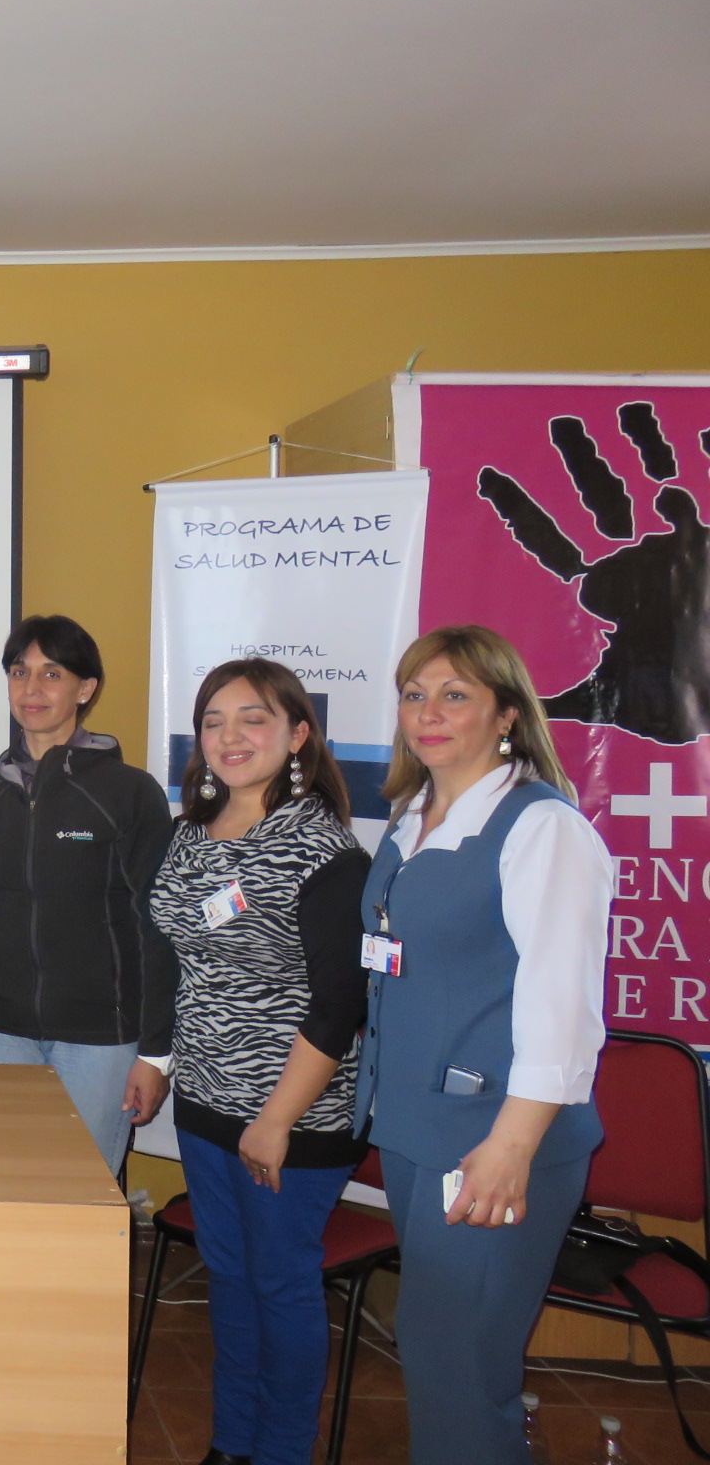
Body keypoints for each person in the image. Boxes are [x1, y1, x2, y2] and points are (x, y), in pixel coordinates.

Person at [356, 626, 609, 1465]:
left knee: (460, 1360)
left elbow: (562, 1003)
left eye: (455, 695)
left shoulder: (541, 828)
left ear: (506, 715)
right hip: (416, 1131)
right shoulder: (410, 821)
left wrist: (512, 1146)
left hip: (493, 1140)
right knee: (436, 1345)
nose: (428, 713)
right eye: (414, 695)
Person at [148, 659, 370, 1465]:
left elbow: (340, 1006)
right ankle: (231, 1440)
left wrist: (275, 1121)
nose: (230, 736)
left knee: (279, 1284)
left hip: (292, 1116)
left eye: (254, 718)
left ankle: (280, 1451)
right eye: (213, 721)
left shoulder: (325, 851)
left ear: (298, 733)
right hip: (205, 1100)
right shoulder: (189, 832)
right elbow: (179, 956)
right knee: (230, 1278)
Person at [0, 614, 175, 1175]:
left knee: (82, 1196)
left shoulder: (129, 793)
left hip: (100, 1041)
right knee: (3, 1190)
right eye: (19, 672)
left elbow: (156, 927)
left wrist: (155, 1053)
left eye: (52, 674)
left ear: (84, 689)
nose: (32, 688)